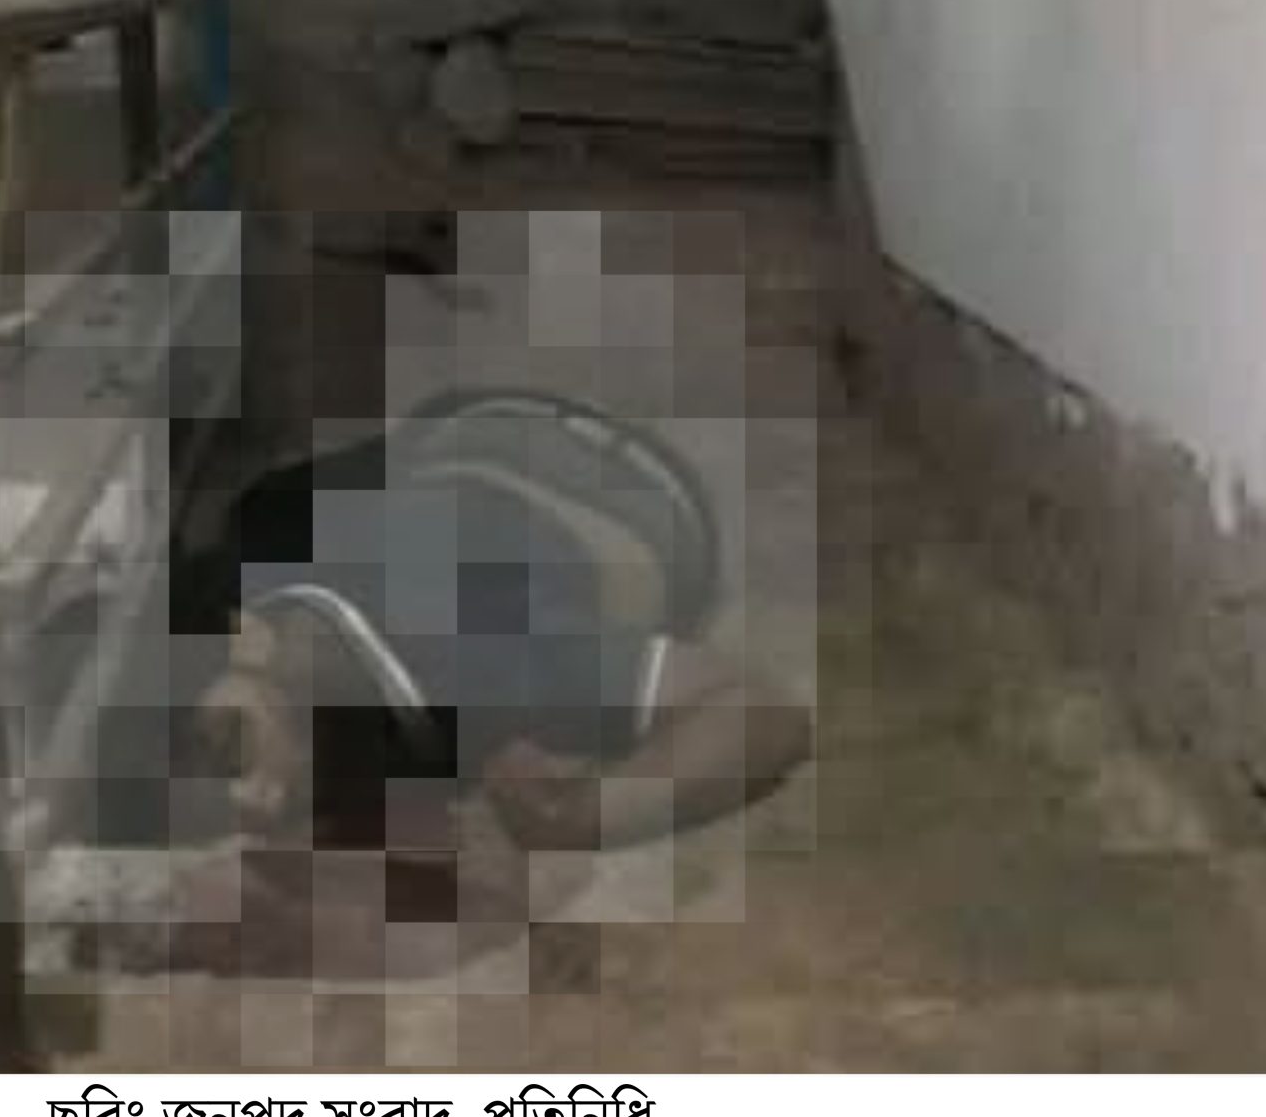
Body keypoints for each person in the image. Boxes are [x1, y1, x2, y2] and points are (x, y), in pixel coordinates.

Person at [134, 390, 813, 980]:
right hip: (455, 441)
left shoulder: (481, 661)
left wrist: (586, 814)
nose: (249, 797)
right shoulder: (245, 583)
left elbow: (762, 715)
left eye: (218, 752)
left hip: (620, 486)